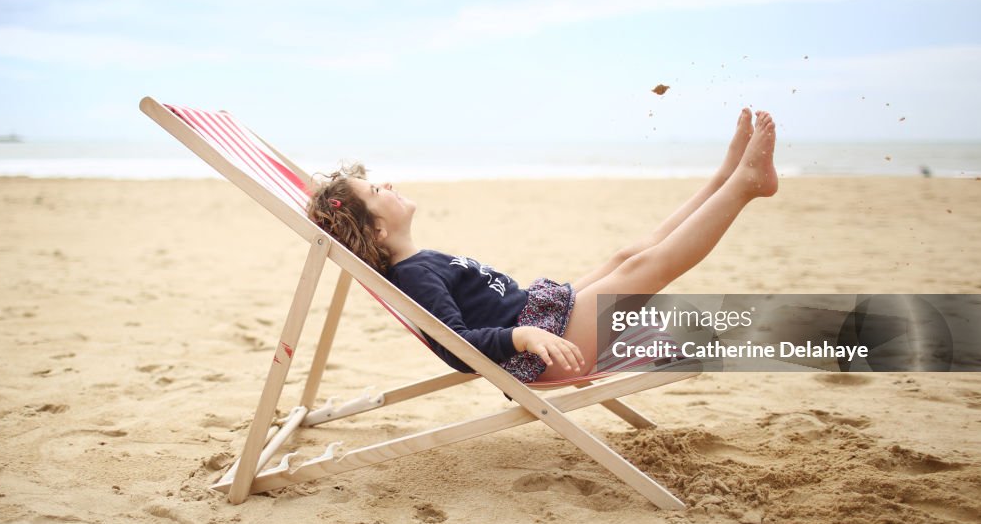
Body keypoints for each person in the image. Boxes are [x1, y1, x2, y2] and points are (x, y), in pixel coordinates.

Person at [307, 109, 778, 384]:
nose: (385, 184)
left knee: (626, 257)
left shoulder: (418, 262)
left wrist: (529, 325)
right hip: (542, 350)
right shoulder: (413, 276)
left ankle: (721, 181)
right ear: (377, 233)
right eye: (374, 192)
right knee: (646, 267)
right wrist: (523, 336)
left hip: (543, 318)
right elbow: (455, 348)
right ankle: (744, 187)